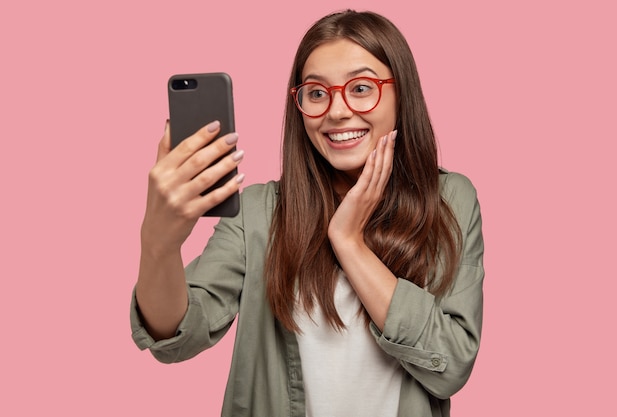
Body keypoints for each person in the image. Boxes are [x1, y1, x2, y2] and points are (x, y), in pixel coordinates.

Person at [131, 9, 484, 417]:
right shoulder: (259, 213)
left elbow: (451, 363)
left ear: (401, 93)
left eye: (361, 88)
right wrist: (158, 242)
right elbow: (176, 335)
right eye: (317, 93)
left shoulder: (450, 200)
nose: (336, 111)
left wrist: (349, 242)